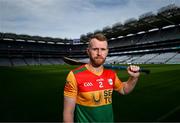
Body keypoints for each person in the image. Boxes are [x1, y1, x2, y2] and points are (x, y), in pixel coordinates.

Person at [63, 33, 140, 123]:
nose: (99, 53)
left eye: (103, 49)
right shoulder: (74, 75)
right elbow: (68, 113)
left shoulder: (111, 73)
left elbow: (124, 89)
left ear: (107, 51)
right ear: (88, 51)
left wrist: (133, 78)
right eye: (95, 49)